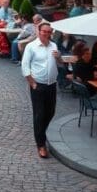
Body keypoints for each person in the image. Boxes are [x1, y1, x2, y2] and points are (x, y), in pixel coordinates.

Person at [21, 22, 60, 158]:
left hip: (52, 84)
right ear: (39, 31)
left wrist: (59, 57)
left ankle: (41, 133)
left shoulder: (54, 46)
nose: (47, 34)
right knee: (39, 114)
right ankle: (41, 144)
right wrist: (32, 83)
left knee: (51, 112)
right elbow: (25, 66)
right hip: (38, 85)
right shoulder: (31, 47)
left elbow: (59, 63)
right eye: (44, 31)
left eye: (49, 32)